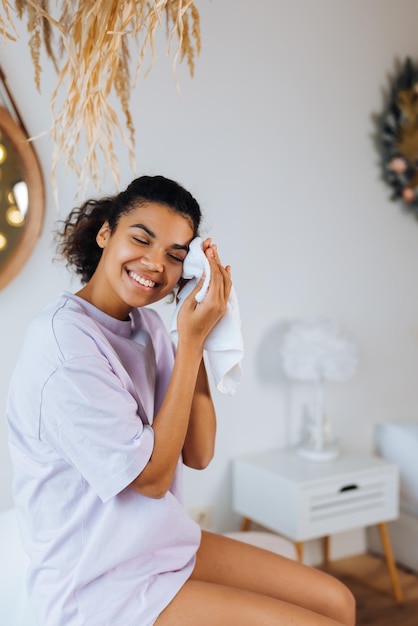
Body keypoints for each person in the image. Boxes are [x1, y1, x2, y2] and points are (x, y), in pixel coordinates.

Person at [7, 175, 356, 626]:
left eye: (175, 255)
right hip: (99, 585)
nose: (155, 264)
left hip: (160, 546)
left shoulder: (148, 328)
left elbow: (199, 451)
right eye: (141, 239)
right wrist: (188, 344)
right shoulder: (62, 344)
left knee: (338, 602)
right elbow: (150, 480)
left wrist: (201, 337)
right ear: (105, 233)